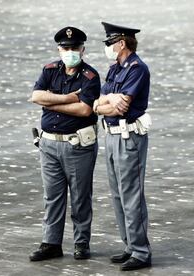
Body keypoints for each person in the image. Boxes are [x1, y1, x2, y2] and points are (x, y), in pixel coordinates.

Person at [29, 26, 100, 262]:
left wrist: (51, 102)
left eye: (74, 48)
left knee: (80, 197)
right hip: (49, 145)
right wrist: (68, 98)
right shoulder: (50, 70)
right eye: (65, 48)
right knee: (53, 196)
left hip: (77, 145)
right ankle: (51, 243)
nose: (70, 51)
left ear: (82, 49)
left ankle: (81, 243)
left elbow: (84, 109)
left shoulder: (90, 76)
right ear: (59, 49)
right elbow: (36, 96)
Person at [93, 21, 152, 271]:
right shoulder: (114, 69)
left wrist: (103, 104)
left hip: (129, 138)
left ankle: (141, 251)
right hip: (112, 135)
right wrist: (102, 103)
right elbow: (97, 104)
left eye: (109, 43)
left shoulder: (137, 69)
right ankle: (129, 245)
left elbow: (122, 106)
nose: (107, 47)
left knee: (131, 195)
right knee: (118, 194)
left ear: (121, 43)